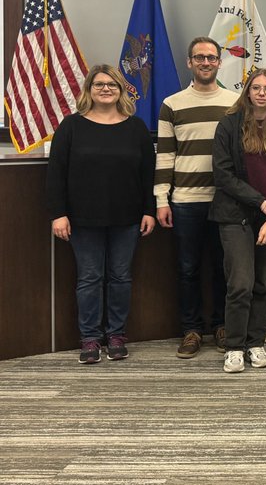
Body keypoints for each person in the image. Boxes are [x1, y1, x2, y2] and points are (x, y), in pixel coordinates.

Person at [48, 64, 156, 364]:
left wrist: (149, 211)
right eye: (99, 84)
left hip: (128, 218)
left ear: (121, 90)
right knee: (89, 278)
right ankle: (90, 338)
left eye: (112, 84)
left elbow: (148, 174)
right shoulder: (71, 126)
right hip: (83, 219)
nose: (106, 89)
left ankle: (117, 335)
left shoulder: (136, 127)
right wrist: (58, 214)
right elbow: (56, 173)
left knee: (121, 277)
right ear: (89, 90)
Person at [155, 37, 239, 359]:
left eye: (211, 57)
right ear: (189, 62)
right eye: (199, 57)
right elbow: (165, 155)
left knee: (223, 267)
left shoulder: (235, 102)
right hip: (185, 200)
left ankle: (221, 325)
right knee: (188, 268)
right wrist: (161, 199)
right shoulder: (172, 104)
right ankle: (191, 329)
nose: (206, 62)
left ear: (219, 62)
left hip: (225, 200)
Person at [210, 69, 266, 373]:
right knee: (240, 284)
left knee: (263, 283)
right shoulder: (229, 124)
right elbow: (223, 175)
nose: (261, 93)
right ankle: (234, 347)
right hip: (235, 215)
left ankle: (255, 343)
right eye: (256, 88)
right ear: (247, 91)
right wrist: (262, 203)